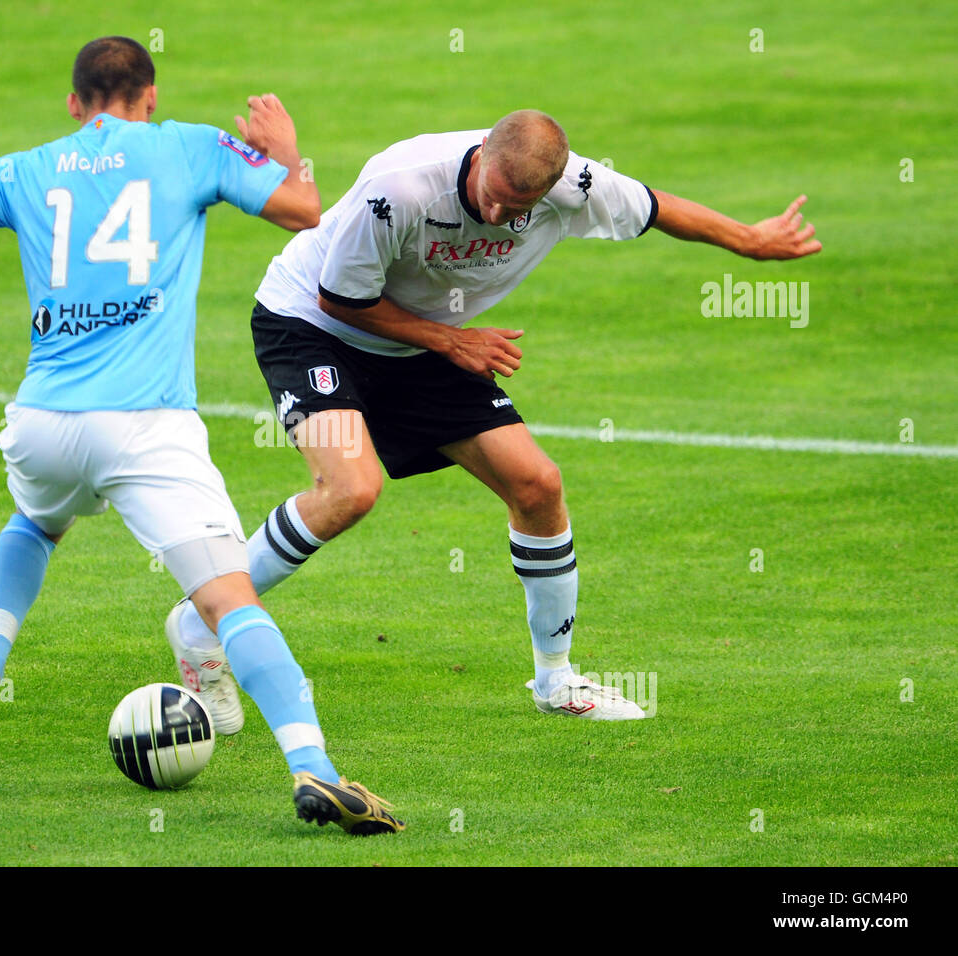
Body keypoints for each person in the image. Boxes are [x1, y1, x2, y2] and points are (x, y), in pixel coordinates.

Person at [0, 36, 402, 835]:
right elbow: (303, 212)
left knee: (38, 520)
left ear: (75, 104)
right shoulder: (184, 146)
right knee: (227, 600)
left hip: (42, 423)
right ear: (149, 97)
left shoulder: (26, 167)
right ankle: (313, 769)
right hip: (147, 427)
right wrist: (289, 154)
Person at [166, 109, 822, 724]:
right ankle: (201, 624)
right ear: (481, 156)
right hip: (310, 325)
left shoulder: (576, 185)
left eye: (519, 208)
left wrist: (750, 241)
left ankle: (556, 680)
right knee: (351, 489)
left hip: (420, 339)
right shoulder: (399, 186)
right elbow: (338, 298)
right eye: (493, 194)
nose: (499, 213)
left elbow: (656, 208)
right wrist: (454, 341)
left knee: (538, 485)